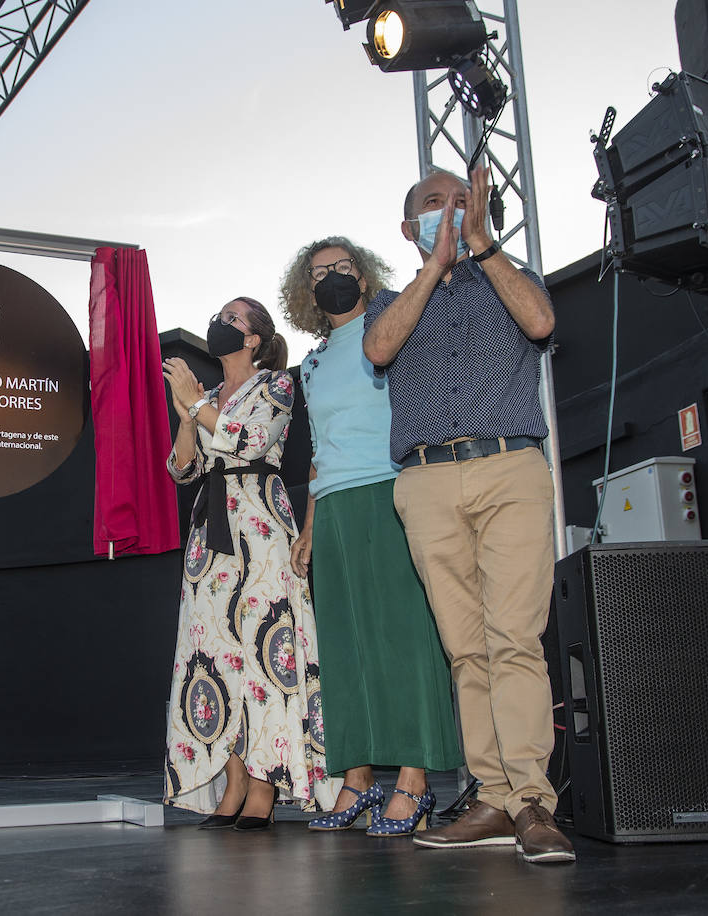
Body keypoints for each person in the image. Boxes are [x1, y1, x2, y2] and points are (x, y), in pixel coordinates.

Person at [362, 166, 575, 864]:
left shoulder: (512, 278)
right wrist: (436, 266)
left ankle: (532, 803)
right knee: (466, 648)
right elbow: (379, 348)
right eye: (433, 204)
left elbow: (542, 322)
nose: (449, 210)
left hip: (509, 466)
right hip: (424, 482)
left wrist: (481, 246)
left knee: (514, 638)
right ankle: (491, 796)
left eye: (461, 200)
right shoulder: (394, 300)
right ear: (407, 228)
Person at [277, 237, 462, 836]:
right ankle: (355, 782)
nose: (332, 277)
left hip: (391, 489)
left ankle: (414, 782)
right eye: (320, 272)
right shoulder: (311, 361)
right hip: (331, 506)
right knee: (343, 644)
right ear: (306, 291)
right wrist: (308, 525)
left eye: (343, 267)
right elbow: (316, 455)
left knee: (404, 636)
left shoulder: (393, 326)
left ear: (364, 273)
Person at [161, 296, 337, 830]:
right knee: (215, 654)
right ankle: (232, 781)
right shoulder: (207, 395)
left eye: (232, 318)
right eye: (217, 315)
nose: (220, 323)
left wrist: (194, 406)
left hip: (259, 523)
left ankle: (263, 783)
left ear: (255, 337)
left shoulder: (276, 385)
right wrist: (186, 412)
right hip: (209, 533)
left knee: (265, 651)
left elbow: (248, 441)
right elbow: (181, 469)